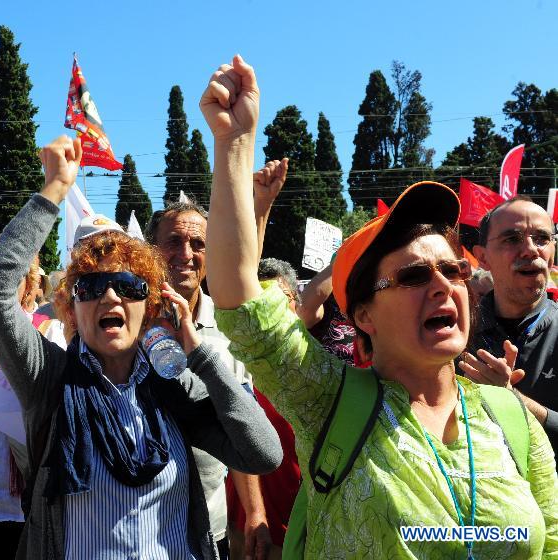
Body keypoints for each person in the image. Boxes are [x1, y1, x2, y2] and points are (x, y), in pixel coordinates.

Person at [202, 55, 557, 558]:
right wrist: (234, 143)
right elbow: (239, 296)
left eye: (453, 269)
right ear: (362, 315)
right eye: (414, 275)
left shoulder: (508, 418)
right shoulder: (326, 399)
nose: (443, 285)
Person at [0, 135, 282, 560]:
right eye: (92, 286)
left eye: (129, 286)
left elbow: (264, 454)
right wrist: (54, 190)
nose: (111, 298)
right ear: (72, 307)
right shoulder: (49, 378)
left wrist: (201, 358)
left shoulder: (173, 387)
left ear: (149, 304)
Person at [146, 201, 265, 560]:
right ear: (152, 251)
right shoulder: (128, 322)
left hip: (210, 533)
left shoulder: (232, 330)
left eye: (198, 244)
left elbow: (240, 425)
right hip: (139, 529)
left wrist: (256, 511)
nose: (186, 254)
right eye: (173, 241)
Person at [0, 235, 65, 560]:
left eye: (14, 272)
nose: (0, 279)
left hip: (32, 506)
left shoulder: (49, 332)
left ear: (30, 284)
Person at [466, 197, 558, 458]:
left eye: (542, 238)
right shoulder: (456, 334)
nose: (530, 250)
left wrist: (511, 401)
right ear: (482, 257)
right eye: (512, 239)